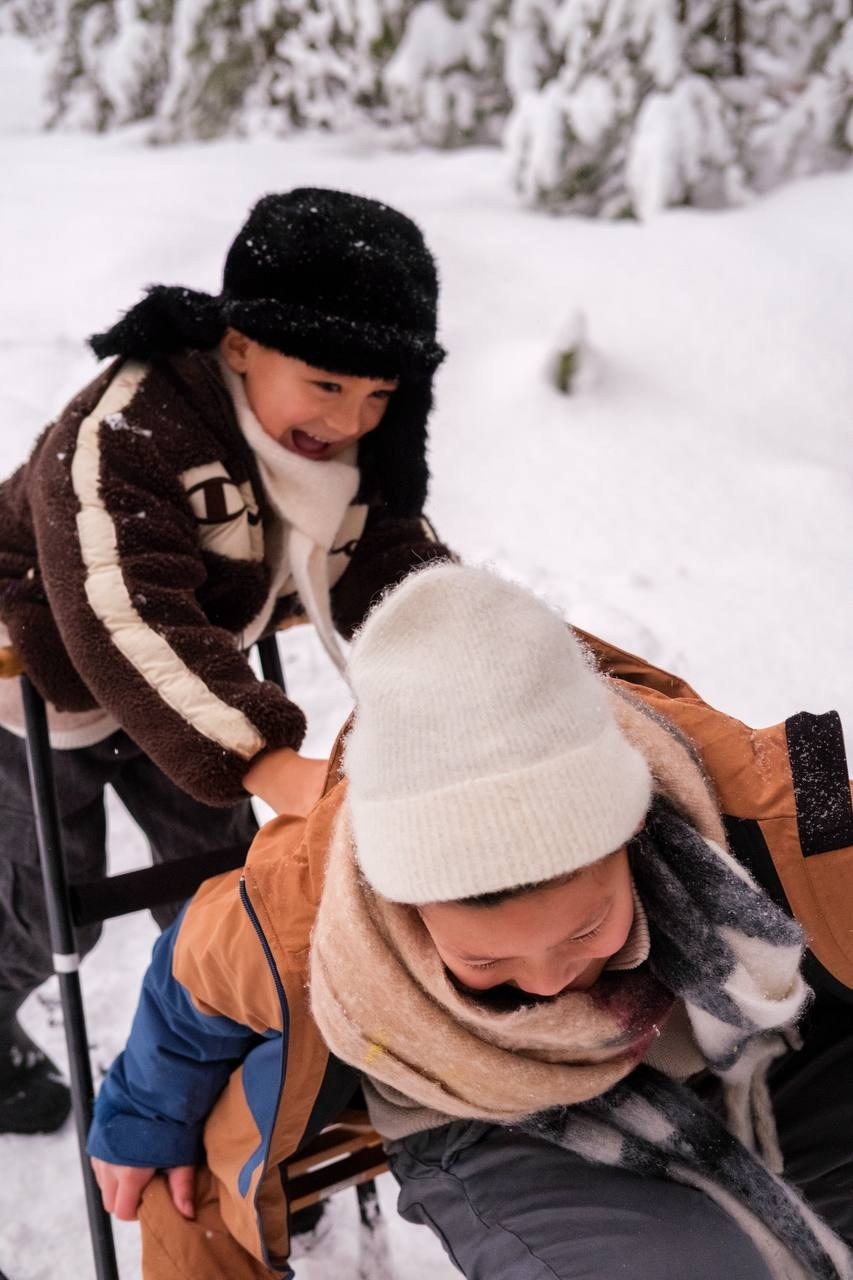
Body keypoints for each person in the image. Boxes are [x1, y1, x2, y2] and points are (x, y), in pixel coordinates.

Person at [87, 564, 853, 1280]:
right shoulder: (310, 905)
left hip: (757, 1050)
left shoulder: (761, 819)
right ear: (406, 907)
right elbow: (190, 991)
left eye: (586, 931)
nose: (549, 979)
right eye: (485, 961)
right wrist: (141, 1121)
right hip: (482, 1111)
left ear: (635, 837)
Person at [0, 187, 451, 1135]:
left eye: (378, 397)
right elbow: (125, 610)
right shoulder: (125, 429)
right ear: (239, 343)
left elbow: (390, 560)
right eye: (327, 384)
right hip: (36, 681)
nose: (350, 419)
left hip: (188, 682)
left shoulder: (339, 443)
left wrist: (469, 672)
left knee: (225, 893)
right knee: (54, 915)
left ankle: (248, 1084)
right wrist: (267, 758)